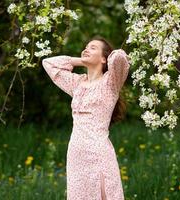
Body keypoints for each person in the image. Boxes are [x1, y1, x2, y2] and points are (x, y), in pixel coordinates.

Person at [42, 36, 130, 200]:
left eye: (93, 47)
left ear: (104, 58)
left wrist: (102, 60)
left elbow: (120, 58)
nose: (86, 49)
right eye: (86, 46)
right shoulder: (77, 83)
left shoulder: (110, 82)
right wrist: (82, 61)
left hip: (98, 153)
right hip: (76, 154)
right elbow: (49, 63)